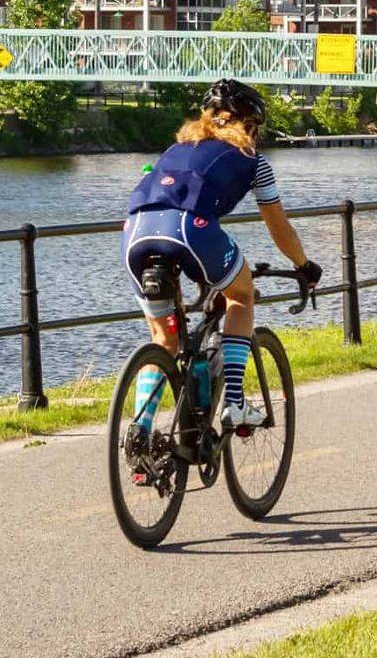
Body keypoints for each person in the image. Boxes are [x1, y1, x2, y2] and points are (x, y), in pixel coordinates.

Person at [123, 79, 322, 432]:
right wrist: (303, 266)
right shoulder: (252, 160)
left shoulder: (175, 148)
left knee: (164, 339)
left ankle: (140, 431)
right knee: (242, 295)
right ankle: (235, 402)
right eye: (255, 127)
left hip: (136, 232)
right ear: (247, 124)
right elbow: (279, 229)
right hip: (190, 230)